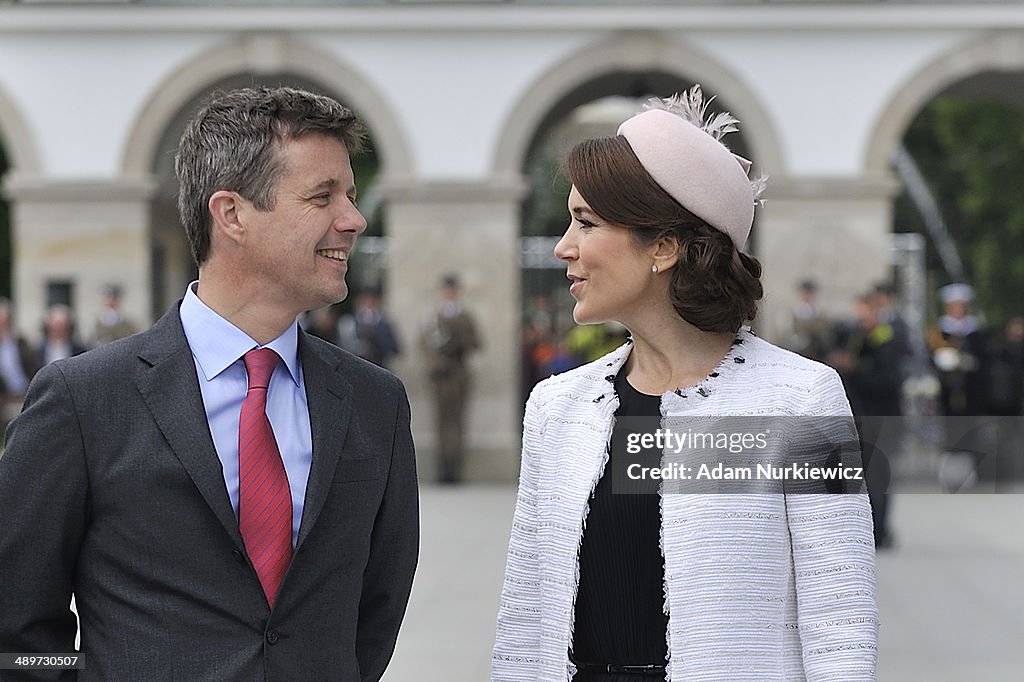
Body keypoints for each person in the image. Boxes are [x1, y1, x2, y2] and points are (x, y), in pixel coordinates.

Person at [0, 86, 419, 681]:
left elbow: (376, 611)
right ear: (231, 215)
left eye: (349, 196)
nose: (353, 219)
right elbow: (14, 632)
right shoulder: (83, 400)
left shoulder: (376, 402)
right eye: (322, 196)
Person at [492, 86, 878, 680]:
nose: (562, 247)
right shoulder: (556, 406)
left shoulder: (801, 399)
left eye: (586, 223)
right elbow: (524, 617)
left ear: (665, 247)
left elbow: (840, 618)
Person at [421, 273, 481, 483]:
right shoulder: (433, 316)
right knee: (440, 422)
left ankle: (455, 468)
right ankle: (442, 468)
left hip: (458, 375)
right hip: (440, 376)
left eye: (452, 289)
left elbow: (475, 343)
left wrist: (458, 338)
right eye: (446, 289)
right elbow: (423, 344)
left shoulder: (464, 316)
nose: (449, 293)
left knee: (457, 423)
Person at [337, 284, 402, 368]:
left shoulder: (384, 324)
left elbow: (395, 349)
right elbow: (340, 346)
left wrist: (375, 334)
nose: (368, 304)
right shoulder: (348, 322)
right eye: (365, 301)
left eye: (372, 301)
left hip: (378, 368)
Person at [0, 297, 39, 434]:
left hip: (25, 393)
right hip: (5, 397)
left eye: (5, 322)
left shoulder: (21, 343)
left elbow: (33, 368)